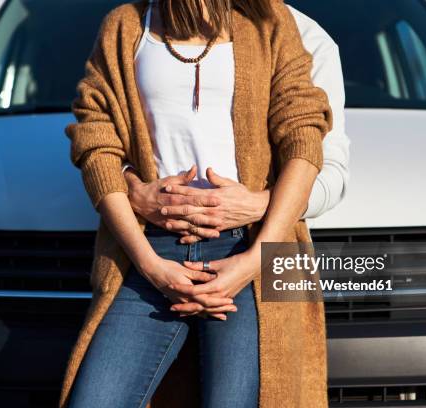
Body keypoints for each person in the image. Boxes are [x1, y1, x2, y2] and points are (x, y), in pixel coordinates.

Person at [59, 1, 333, 407]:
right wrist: (151, 266)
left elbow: (304, 135)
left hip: (251, 246)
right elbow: (96, 144)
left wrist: (257, 258)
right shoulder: (126, 25)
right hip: (150, 250)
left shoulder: (270, 19)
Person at [122, 4, 350, 245]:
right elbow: (106, 140)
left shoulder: (307, 37)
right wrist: (132, 188)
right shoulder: (138, 26)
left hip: (260, 240)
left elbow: (330, 170)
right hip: (145, 237)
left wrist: (259, 204)